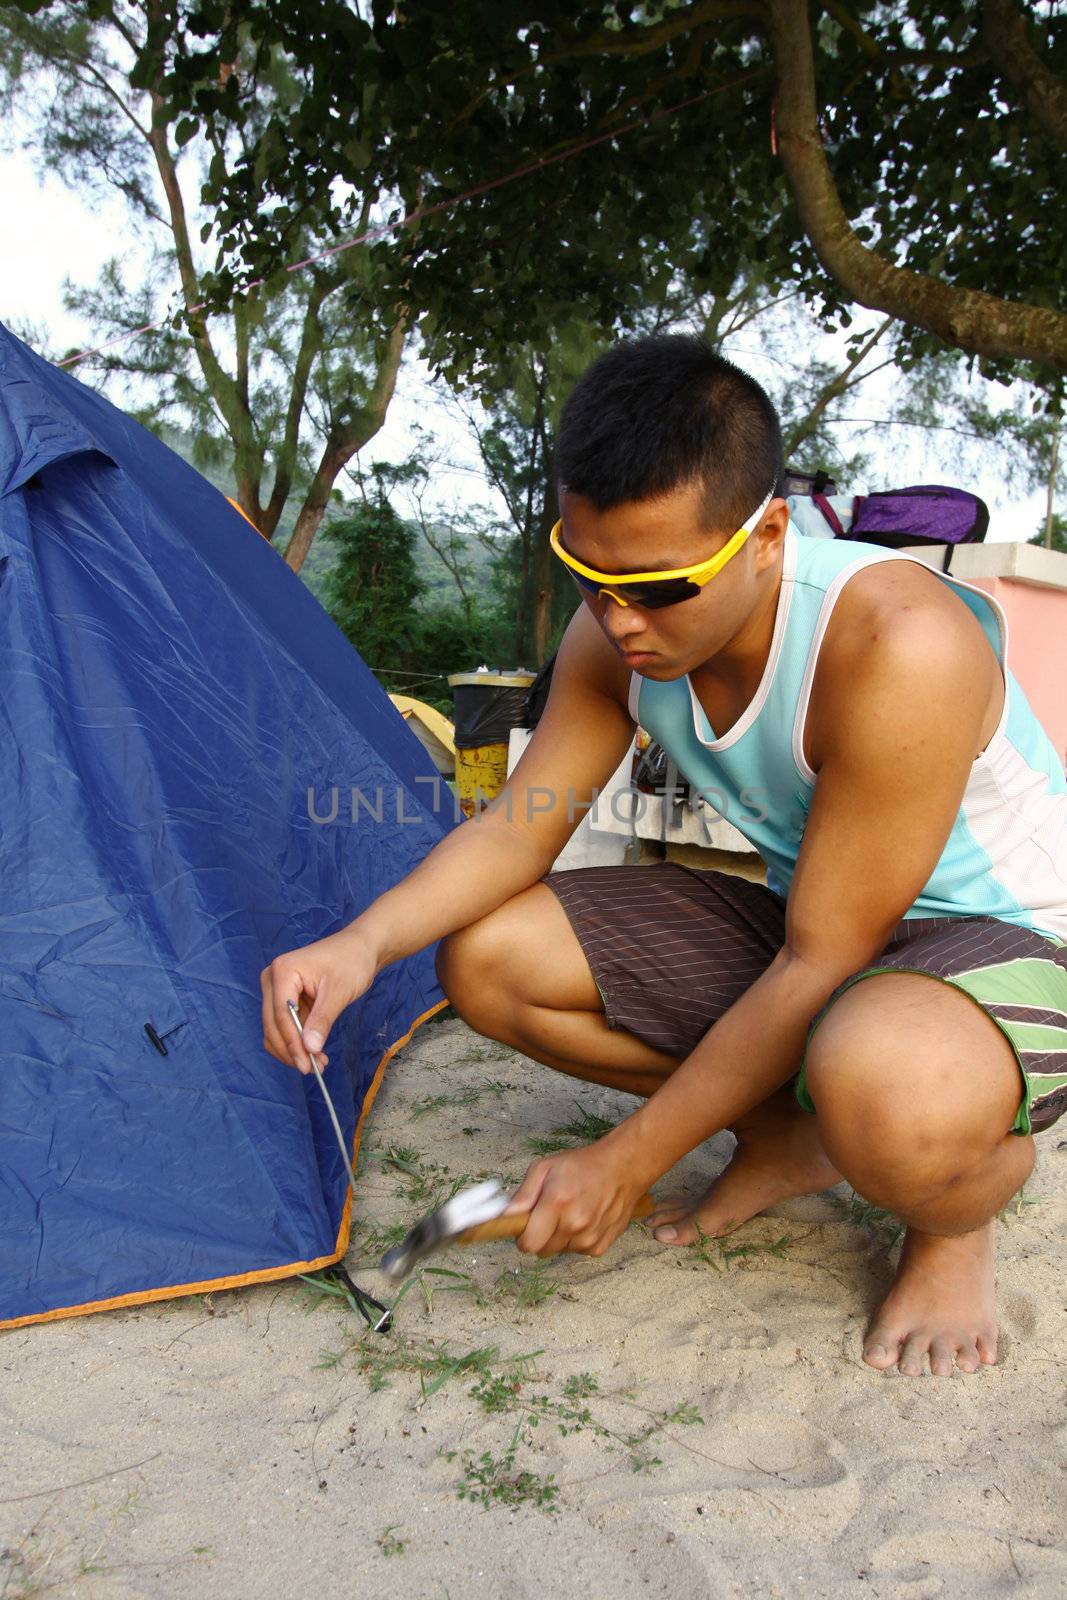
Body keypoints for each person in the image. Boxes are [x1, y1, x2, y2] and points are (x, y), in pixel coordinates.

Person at [261, 336, 1067, 1378]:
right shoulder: (617, 634)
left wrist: (625, 1160)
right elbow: (520, 824)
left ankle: (953, 1217)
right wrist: (361, 944)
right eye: (586, 574)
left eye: (659, 585)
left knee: (882, 1078)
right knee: (486, 958)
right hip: (815, 919)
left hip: (1000, 945)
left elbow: (824, 958)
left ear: (767, 534)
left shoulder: (895, 640)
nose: (619, 618)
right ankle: (789, 1133)